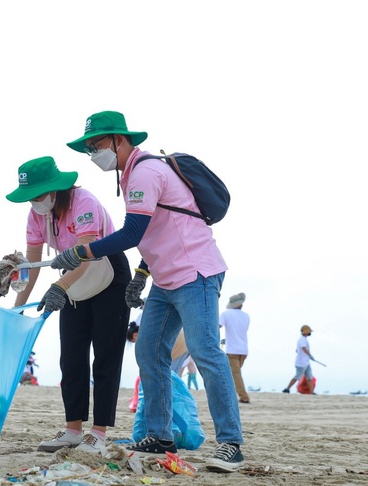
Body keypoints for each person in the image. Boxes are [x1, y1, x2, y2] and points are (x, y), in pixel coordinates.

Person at [50, 111, 244, 472]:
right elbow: (158, 230)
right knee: (148, 351)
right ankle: (159, 434)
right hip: (164, 278)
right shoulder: (131, 176)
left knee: (204, 352)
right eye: (89, 148)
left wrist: (80, 251)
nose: (94, 154)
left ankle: (230, 443)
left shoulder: (144, 172)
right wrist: (141, 273)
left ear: (119, 141)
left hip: (195, 273)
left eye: (97, 145)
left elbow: (132, 233)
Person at [5, 156, 131, 454]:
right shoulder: (36, 215)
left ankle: (98, 433)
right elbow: (32, 263)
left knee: (105, 356)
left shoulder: (83, 201)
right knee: (71, 356)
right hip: (72, 280)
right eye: (29, 197)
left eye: (37, 195)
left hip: (108, 273)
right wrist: (17, 309)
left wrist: (60, 286)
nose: (34, 202)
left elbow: (87, 252)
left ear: (55, 189)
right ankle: (73, 429)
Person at [219, 292, 250, 403]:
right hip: (244, 350)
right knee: (234, 374)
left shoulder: (226, 314)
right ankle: (230, 395)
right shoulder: (246, 316)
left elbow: (217, 326)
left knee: (234, 374)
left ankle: (244, 397)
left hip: (232, 349)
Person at [283, 325, 315, 394]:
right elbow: (303, 348)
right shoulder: (302, 339)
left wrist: (308, 356)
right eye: (309, 331)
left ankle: (312, 392)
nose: (310, 333)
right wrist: (309, 355)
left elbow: (297, 350)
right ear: (306, 332)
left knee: (309, 377)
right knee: (297, 377)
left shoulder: (305, 339)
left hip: (306, 363)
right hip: (301, 363)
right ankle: (287, 389)